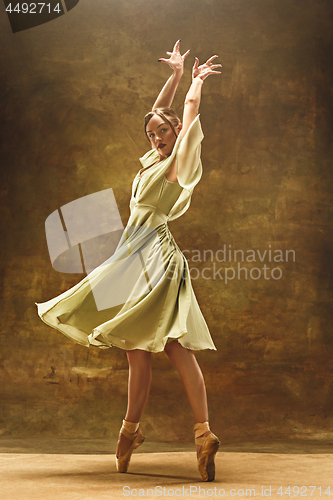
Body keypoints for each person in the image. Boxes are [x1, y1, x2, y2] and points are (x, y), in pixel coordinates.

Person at [35, 40, 222, 482]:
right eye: (151, 134)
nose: (156, 139)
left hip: (153, 254)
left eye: (164, 133)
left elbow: (189, 114)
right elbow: (161, 111)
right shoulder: (155, 161)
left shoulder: (178, 163)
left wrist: (194, 82)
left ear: (179, 135)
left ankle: (186, 433)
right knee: (139, 350)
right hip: (136, 254)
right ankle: (159, 434)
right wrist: (174, 78)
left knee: (168, 346)